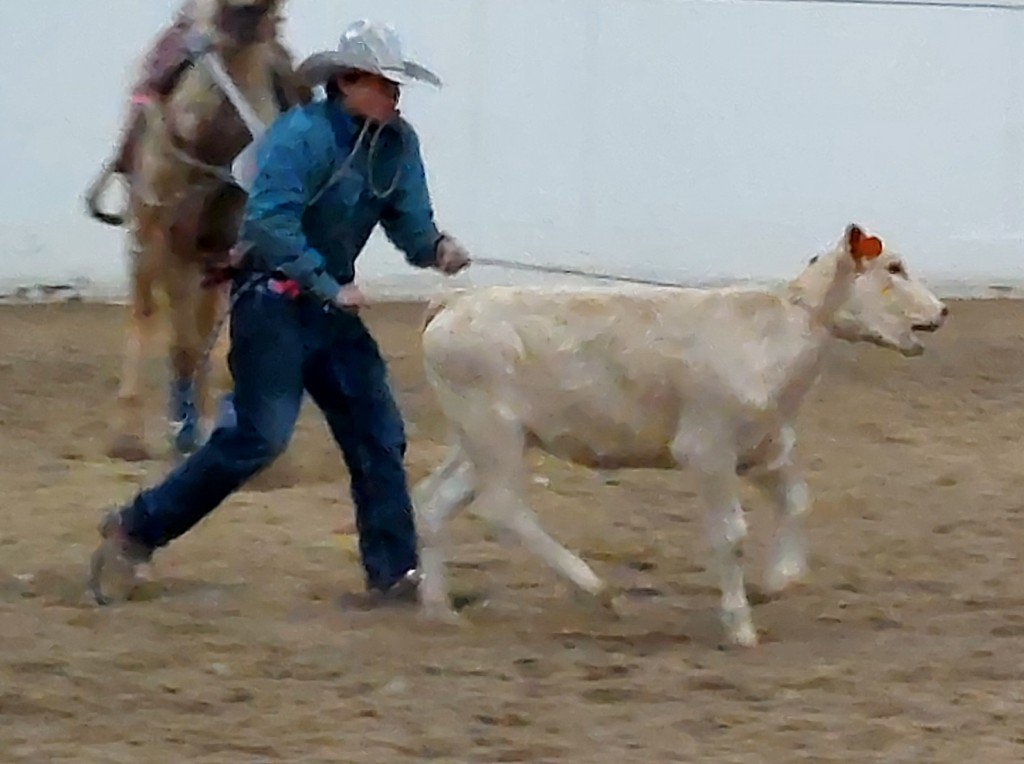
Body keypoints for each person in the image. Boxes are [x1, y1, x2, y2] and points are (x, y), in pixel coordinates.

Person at [90, 19, 471, 605]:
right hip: (273, 301)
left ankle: (394, 574)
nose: (394, 96)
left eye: (395, 86)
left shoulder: (397, 146)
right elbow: (269, 223)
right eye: (383, 83)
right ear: (347, 82)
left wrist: (436, 248)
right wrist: (325, 281)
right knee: (257, 439)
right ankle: (137, 527)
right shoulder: (300, 137)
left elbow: (410, 223)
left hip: (325, 307)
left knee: (379, 433)